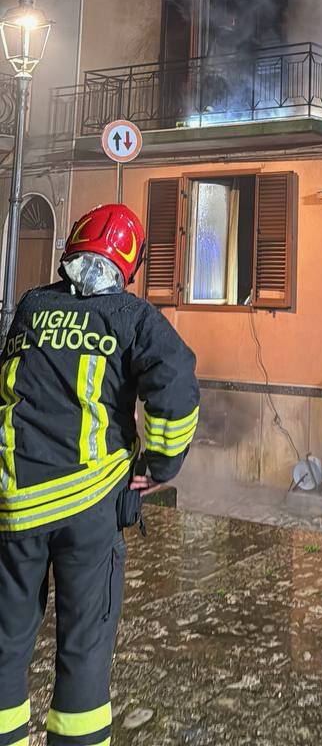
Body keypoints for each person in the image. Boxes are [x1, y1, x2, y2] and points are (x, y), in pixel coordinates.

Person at [0, 202, 199, 746]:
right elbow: (176, 383)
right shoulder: (133, 317)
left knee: (6, 642)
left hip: (16, 503)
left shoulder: (32, 305)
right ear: (129, 263)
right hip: (89, 508)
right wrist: (159, 465)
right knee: (84, 647)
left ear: (72, 246)